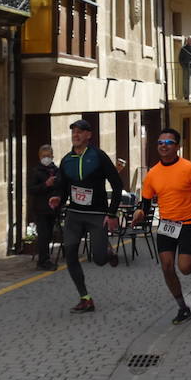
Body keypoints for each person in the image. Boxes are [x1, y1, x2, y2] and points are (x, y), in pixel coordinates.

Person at [132, 128, 191, 325]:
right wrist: (140, 212)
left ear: (177, 147)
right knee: (167, 266)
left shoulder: (188, 168)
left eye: (169, 142)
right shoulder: (153, 173)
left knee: (185, 268)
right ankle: (182, 307)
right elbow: (145, 202)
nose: (163, 145)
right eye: (160, 142)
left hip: (187, 224)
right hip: (166, 225)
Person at [48, 119, 124, 313]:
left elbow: (117, 185)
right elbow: (63, 187)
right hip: (74, 215)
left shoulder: (99, 156)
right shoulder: (66, 160)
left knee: (99, 260)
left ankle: (106, 251)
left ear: (89, 135)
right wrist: (57, 197)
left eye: (80, 131)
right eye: (73, 132)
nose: (76, 135)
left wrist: (112, 213)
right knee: (71, 254)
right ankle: (85, 298)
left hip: (96, 215)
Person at [26, 144, 59, 269]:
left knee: (49, 234)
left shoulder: (56, 170)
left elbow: (60, 186)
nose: (46, 158)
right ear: (40, 157)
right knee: (43, 235)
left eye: (48, 156)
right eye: (44, 156)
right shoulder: (36, 171)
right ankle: (42, 261)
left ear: (52, 156)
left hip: (52, 208)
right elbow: (31, 189)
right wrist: (46, 184)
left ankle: (46, 259)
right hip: (40, 208)